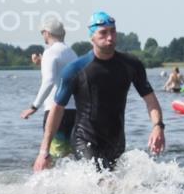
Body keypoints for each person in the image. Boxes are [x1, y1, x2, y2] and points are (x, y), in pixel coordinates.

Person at [33, 11, 165, 172]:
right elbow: (57, 108)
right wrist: (43, 151)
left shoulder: (131, 65)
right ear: (92, 37)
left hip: (116, 141)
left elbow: (150, 99)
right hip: (84, 139)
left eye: (113, 31)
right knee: (102, 182)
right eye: (103, 33)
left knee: (115, 188)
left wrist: (158, 126)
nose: (110, 37)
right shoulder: (76, 69)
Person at [20, 16, 78, 160]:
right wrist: (42, 62)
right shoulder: (71, 53)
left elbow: (49, 81)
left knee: (53, 155)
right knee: (70, 155)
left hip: (55, 111)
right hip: (74, 111)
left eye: (42, 33)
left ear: (47, 33)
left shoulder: (50, 52)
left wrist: (34, 106)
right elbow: (62, 74)